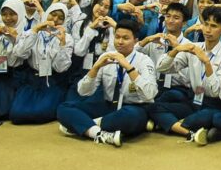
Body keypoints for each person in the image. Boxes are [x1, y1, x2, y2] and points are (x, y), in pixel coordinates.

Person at [56, 18, 158, 147]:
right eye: (117, 37)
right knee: (64, 108)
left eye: (125, 38)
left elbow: (149, 94)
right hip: (108, 106)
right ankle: (99, 133)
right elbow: (83, 92)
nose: (120, 42)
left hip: (133, 107)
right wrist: (95, 68)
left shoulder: (144, 61)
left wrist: (128, 67)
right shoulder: (107, 56)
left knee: (130, 117)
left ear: (135, 40)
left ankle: (84, 125)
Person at [152, 5, 221, 141]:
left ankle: (169, 123)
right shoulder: (194, 47)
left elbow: (214, 92)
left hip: (213, 103)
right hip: (193, 100)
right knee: (154, 107)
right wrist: (175, 50)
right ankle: (188, 131)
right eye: (205, 24)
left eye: (213, 26)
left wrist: (207, 63)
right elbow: (161, 68)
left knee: (206, 116)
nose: (207, 30)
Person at [10, 3, 73, 123]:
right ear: (47, 13)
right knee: (16, 114)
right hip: (32, 79)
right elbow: (19, 53)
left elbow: (60, 68)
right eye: (53, 14)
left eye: (60, 18)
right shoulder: (33, 32)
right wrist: (35, 30)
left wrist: (62, 43)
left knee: (42, 113)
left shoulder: (67, 38)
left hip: (52, 81)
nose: (55, 19)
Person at [0, 0, 27, 120]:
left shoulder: (25, 32)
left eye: (12, 14)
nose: (8, 18)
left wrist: (15, 39)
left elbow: (15, 61)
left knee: (2, 110)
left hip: (12, 74)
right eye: (4, 14)